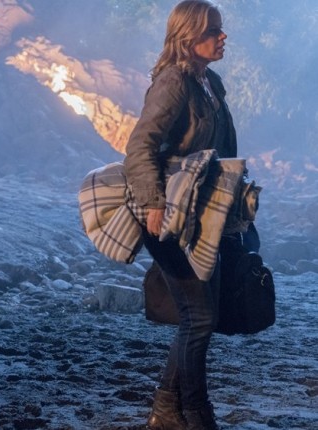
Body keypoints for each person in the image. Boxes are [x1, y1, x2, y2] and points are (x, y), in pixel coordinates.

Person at [123, 1, 233, 429]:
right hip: (167, 215)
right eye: (213, 31)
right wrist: (153, 203)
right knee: (199, 318)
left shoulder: (210, 83)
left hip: (203, 216)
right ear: (188, 37)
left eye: (221, 29)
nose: (222, 37)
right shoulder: (174, 82)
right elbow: (140, 146)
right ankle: (196, 415)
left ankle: (167, 410)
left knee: (202, 317)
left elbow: (222, 151)